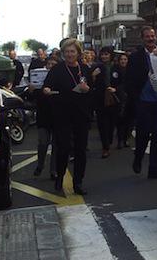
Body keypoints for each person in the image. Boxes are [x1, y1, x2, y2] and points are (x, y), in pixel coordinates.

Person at [42, 38, 94, 196]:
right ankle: (60, 176)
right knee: (63, 148)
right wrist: (47, 90)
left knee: (80, 150)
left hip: (81, 114)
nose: (70, 54)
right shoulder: (57, 69)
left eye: (72, 51)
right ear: (63, 53)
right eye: (67, 52)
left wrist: (87, 89)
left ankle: (78, 182)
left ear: (78, 53)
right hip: (63, 114)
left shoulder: (84, 69)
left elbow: (92, 90)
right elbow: (47, 87)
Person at [125, 27, 157, 180]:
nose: (150, 39)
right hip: (143, 102)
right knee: (142, 135)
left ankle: (154, 169)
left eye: (152, 36)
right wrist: (135, 99)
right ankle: (138, 158)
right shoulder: (135, 57)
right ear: (142, 38)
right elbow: (129, 80)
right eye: (147, 36)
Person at [33, 57, 58, 178]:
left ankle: (53, 170)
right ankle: (40, 164)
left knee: (56, 145)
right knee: (43, 143)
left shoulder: (60, 78)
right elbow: (34, 97)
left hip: (57, 115)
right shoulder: (39, 77)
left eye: (54, 64)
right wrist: (32, 90)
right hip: (43, 116)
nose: (51, 66)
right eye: (49, 64)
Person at [93, 46, 119, 158]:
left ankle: (109, 140)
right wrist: (93, 76)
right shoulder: (96, 67)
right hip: (100, 98)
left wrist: (115, 89)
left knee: (111, 123)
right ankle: (105, 147)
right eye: (102, 54)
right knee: (102, 123)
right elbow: (90, 83)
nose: (104, 56)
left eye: (106, 54)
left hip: (114, 98)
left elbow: (123, 81)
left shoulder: (116, 67)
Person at [113, 52, 132, 149]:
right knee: (120, 120)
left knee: (129, 120)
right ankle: (120, 140)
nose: (123, 61)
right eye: (121, 59)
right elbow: (114, 83)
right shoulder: (115, 70)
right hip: (119, 97)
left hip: (130, 97)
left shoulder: (131, 69)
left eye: (125, 59)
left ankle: (126, 138)